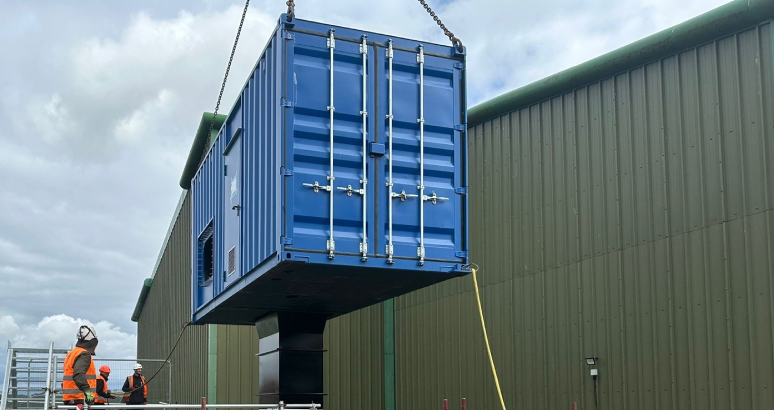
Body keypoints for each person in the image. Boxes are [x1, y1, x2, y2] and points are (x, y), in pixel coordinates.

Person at [62, 326, 99, 408]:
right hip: (80, 398)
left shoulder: (72, 353)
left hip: (71, 398)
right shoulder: (84, 354)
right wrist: (87, 391)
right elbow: (78, 374)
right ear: (91, 341)